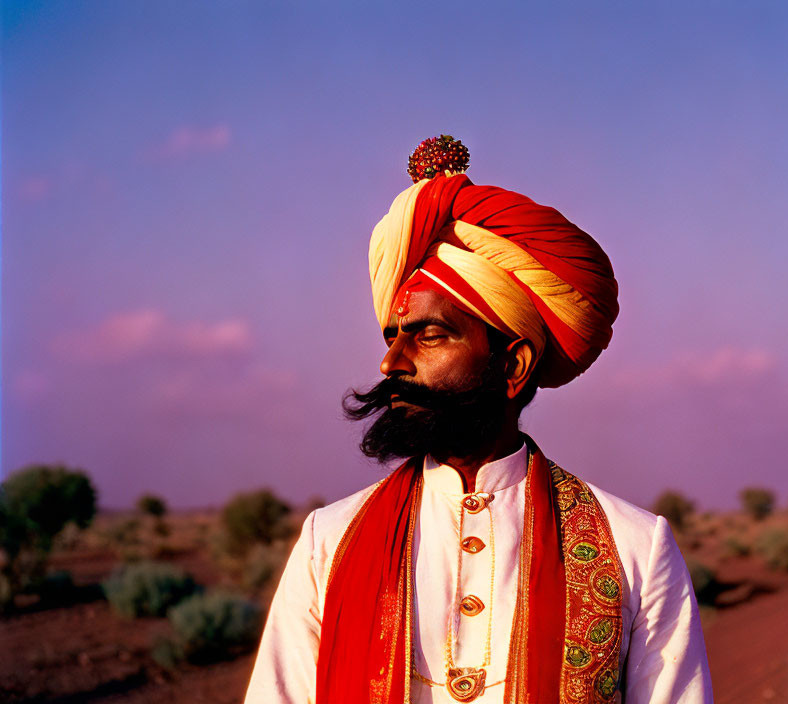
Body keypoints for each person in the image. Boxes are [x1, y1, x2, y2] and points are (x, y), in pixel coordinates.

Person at [245, 135, 712, 703]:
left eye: (430, 336)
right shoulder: (329, 543)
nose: (392, 363)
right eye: (392, 338)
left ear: (514, 364)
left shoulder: (635, 547)